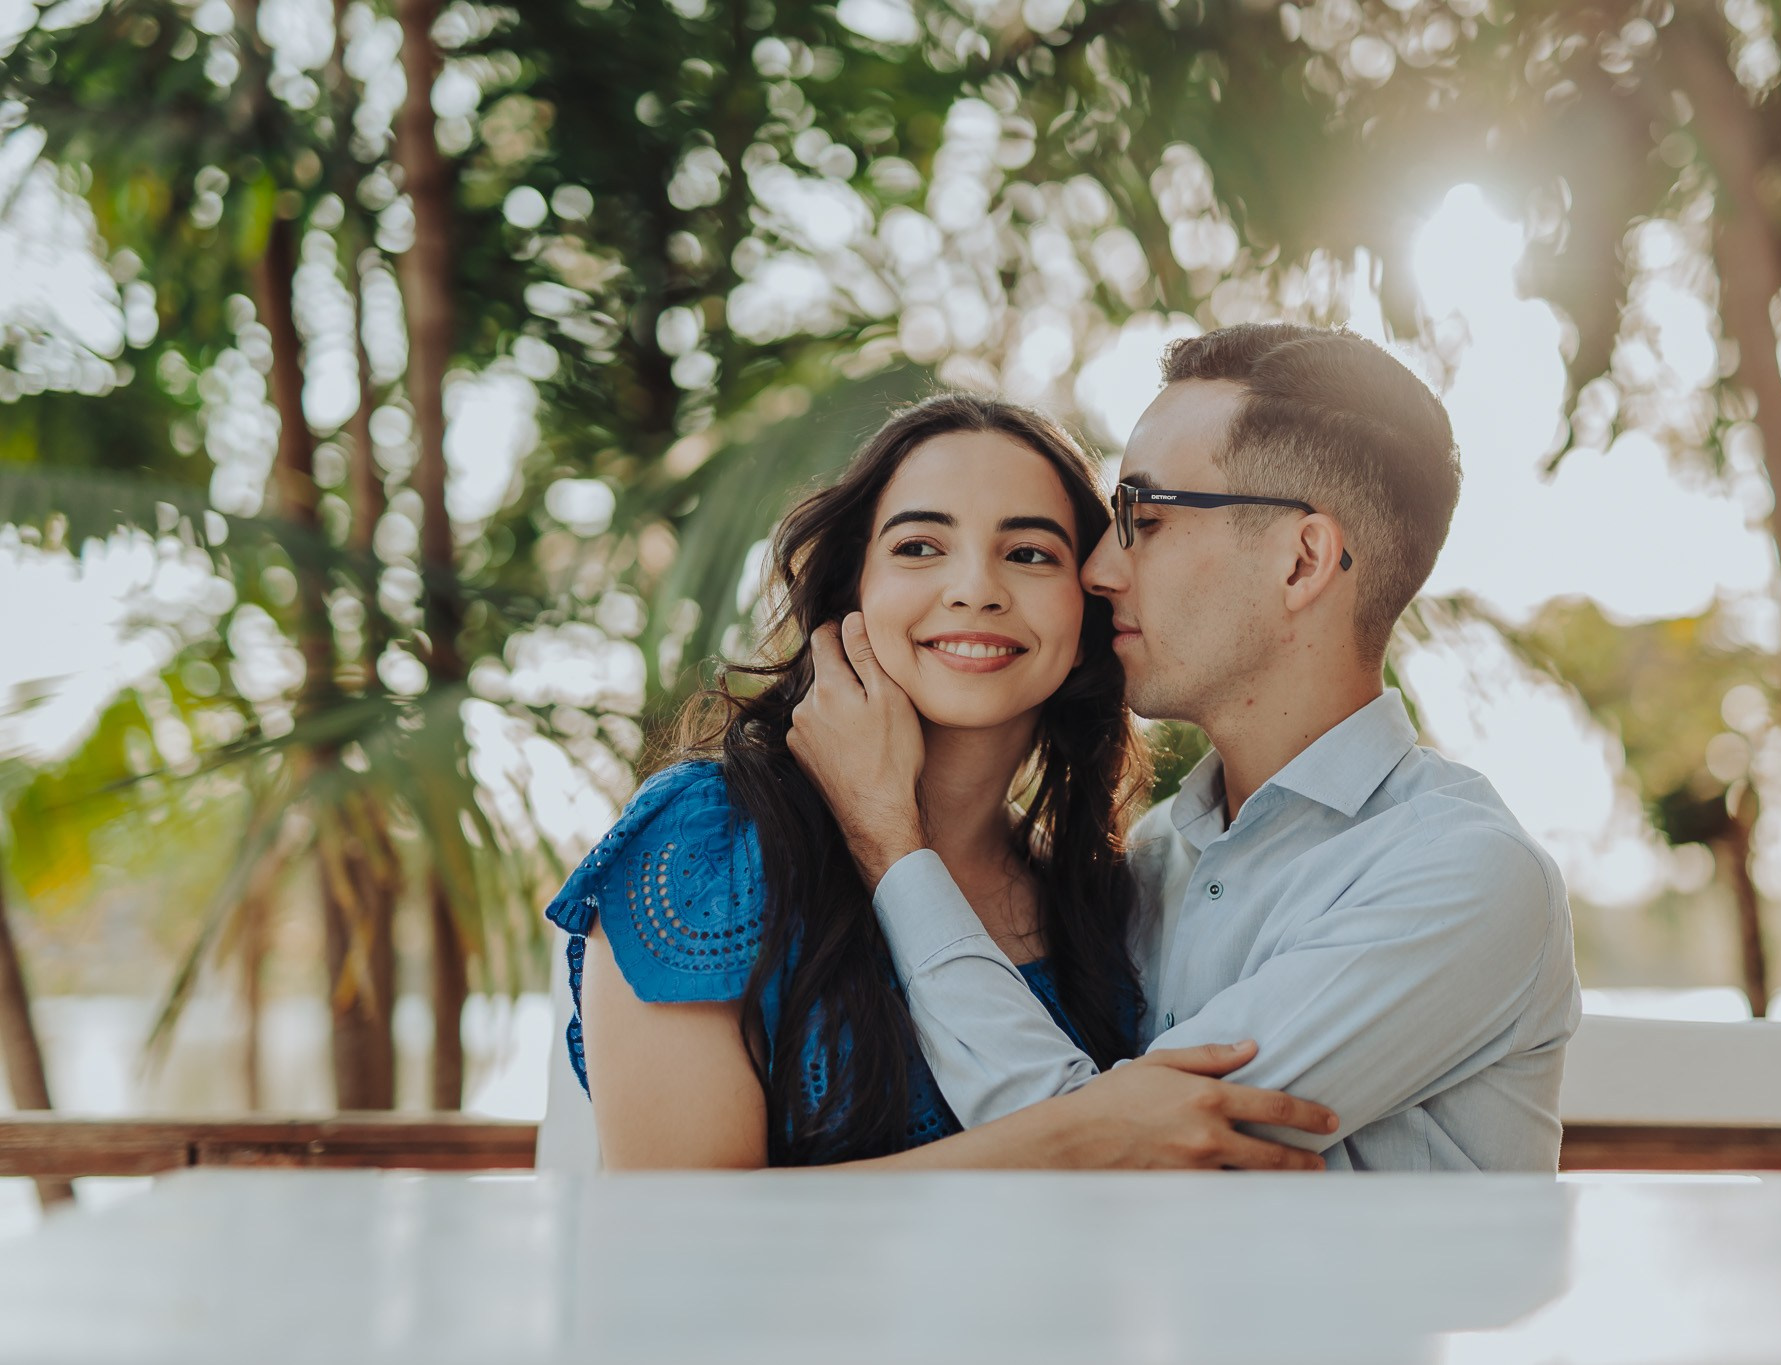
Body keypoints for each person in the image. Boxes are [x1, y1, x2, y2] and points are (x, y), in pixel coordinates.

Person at [792, 324, 1583, 1171]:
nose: (1097, 568)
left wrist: (890, 842)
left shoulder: (1462, 875)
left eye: (1145, 516)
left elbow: (1107, 1157)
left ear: (1301, 559)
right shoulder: (1151, 862)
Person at [545, 392, 1339, 1169]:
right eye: (919, 547)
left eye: (1029, 554)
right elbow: (676, 1234)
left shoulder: (1104, 898)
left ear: (1091, 603)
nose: (975, 589)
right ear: (856, 584)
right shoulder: (707, 838)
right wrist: (1081, 1136)